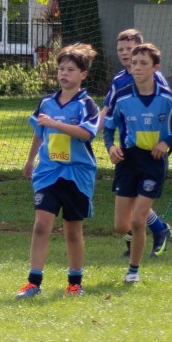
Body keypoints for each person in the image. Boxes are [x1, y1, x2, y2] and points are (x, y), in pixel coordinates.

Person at [103, 43, 172, 284]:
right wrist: (111, 147)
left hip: (153, 163)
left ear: (156, 67)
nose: (136, 67)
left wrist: (167, 142)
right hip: (127, 161)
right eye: (134, 63)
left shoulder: (166, 97)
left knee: (138, 219)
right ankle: (159, 229)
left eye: (143, 63)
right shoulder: (121, 95)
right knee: (121, 225)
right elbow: (109, 127)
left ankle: (133, 271)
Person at [16, 43, 100, 299]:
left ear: (83, 74)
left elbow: (86, 133)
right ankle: (33, 282)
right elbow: (39, 132)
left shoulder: (86, 104)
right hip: (48, 172)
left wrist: (56, 124)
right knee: (41, 225)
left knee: (72, 230)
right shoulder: (46, 103)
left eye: (70, 69)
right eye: (61, 68)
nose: (64, 73)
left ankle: (74, 283)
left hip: (77, 173)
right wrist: (30, 160)